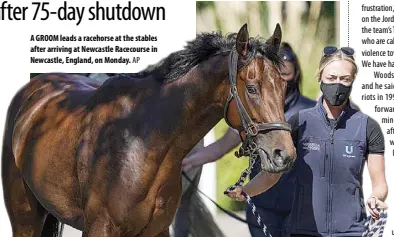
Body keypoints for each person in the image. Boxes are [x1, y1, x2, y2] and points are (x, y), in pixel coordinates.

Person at [227, 46, 389, 237]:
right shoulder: (299, 122)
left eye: (344, 79)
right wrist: (246, 190)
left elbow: (380, 183)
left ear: (352, 80)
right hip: (304, 231)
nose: (338, 84)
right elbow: (272, 174)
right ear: (320, 77)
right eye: (331, 78)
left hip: (352, 231)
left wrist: (376, 198)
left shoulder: (367, 127)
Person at [182, 42, 316, 237]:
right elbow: (222, 146)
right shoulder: (254, 112)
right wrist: (188, 161)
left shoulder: (311, 111)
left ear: (295, 74)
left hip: (298, 208)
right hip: (262, 206)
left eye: (286, 75)